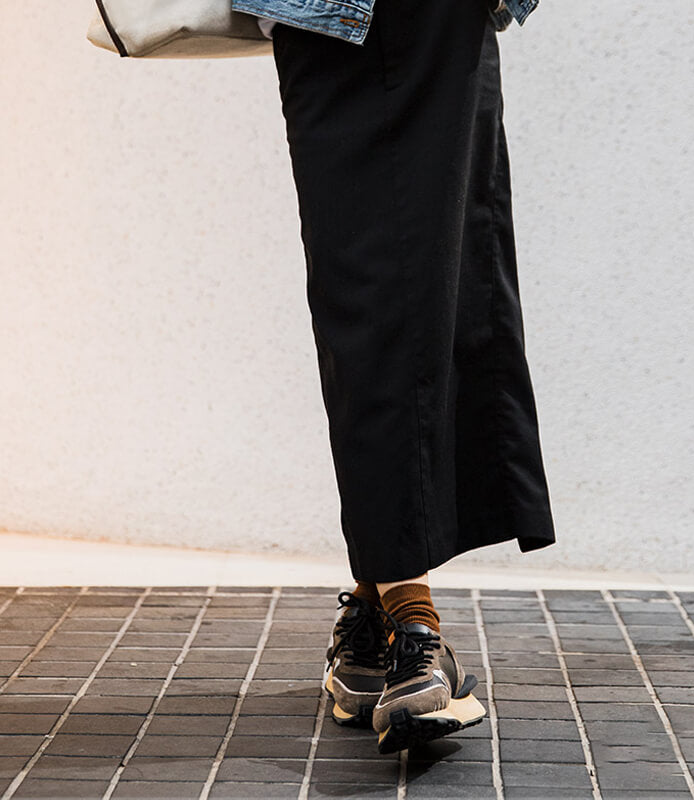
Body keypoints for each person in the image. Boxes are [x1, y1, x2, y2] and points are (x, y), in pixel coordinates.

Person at [239, 0, 557, 752]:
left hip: (423, 18)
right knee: (372, 307)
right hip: (335, 18)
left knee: (444, 296)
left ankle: (382, 613)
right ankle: (409, 620)